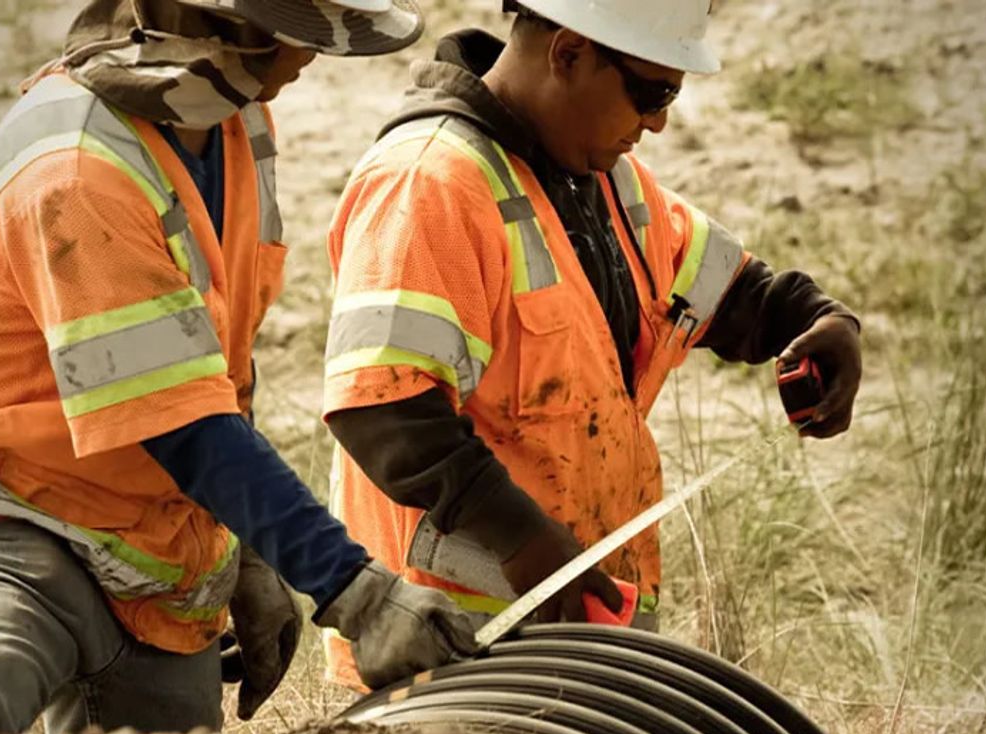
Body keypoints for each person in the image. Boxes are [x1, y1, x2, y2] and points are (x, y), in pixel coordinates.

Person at [0, 0, 476, 734]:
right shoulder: (76, 167)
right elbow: (185, 425)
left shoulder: (237, 121)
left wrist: (249, 549)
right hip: (4, 511)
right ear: (223, 24)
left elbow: (214, 363)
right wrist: (353, 590)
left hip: (151, 545)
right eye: (302, 27)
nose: (314, 52)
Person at [321, 0, 863, 687]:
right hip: (452, 653)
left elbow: (731, 294)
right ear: (570, 53)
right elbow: (383, 411)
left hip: (575, 638)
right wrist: (524, 540)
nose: (659, 122)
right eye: (652, 93)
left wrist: (820, 319)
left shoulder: (601, 179)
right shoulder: (429, 183)